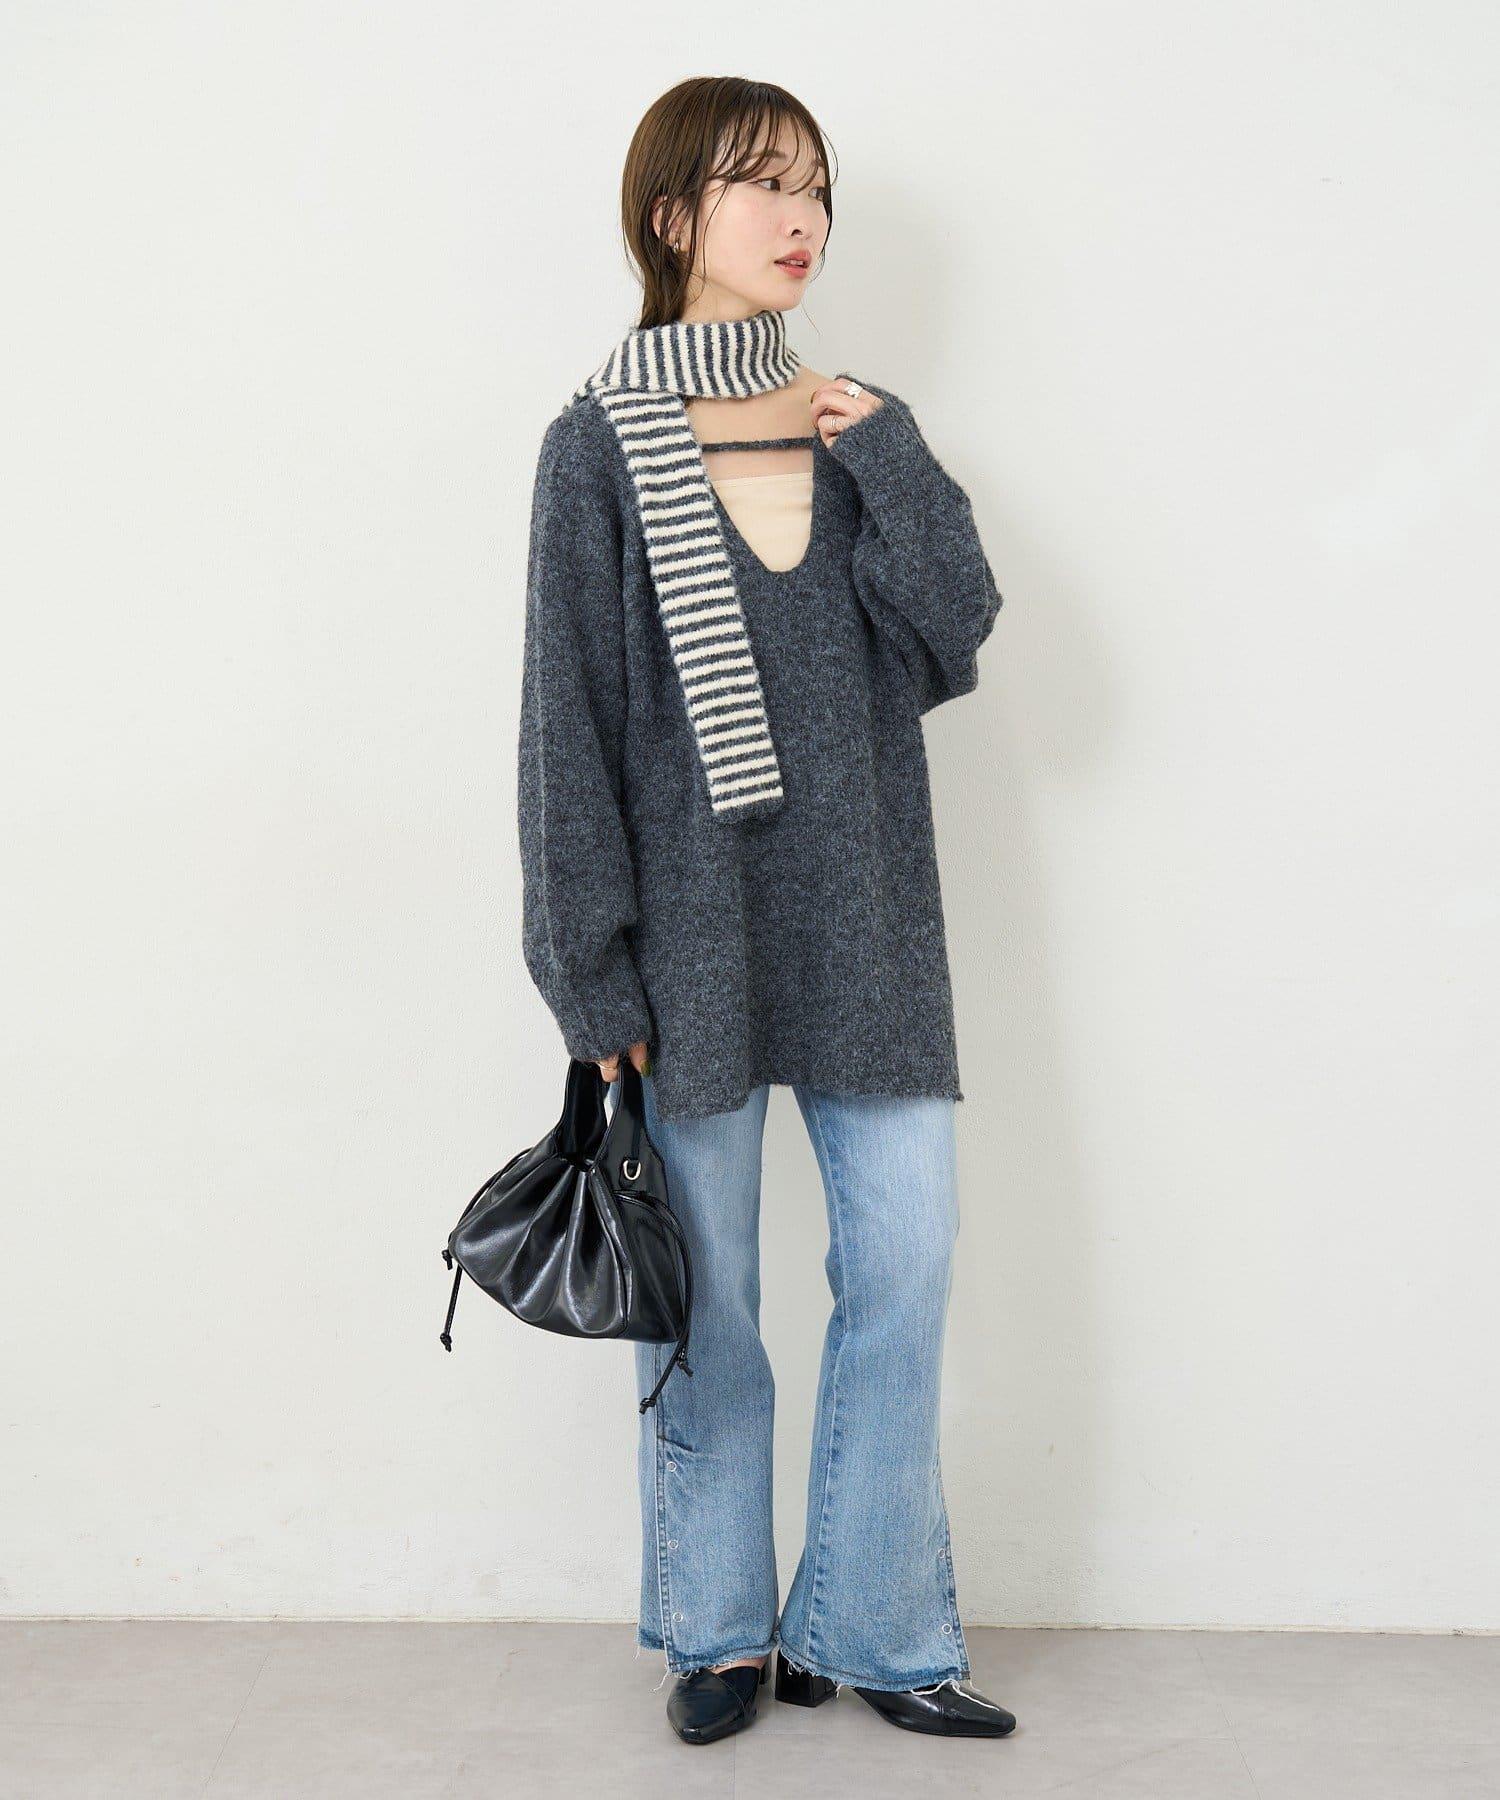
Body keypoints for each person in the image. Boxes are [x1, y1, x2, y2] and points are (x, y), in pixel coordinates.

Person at [517, 75, 1015, 1746]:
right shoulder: (599, 445)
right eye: (763, 185)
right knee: (711, 1301)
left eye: (816, 188)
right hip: (695, 936)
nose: (802, 218)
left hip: (868, 918)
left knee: (908, 1263)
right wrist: (589, 970)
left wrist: (893, 453)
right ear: (675, 216)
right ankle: (719, 1630)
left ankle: (871, 1627)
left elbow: (954, 629)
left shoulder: (856, 426)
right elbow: (567, 721)